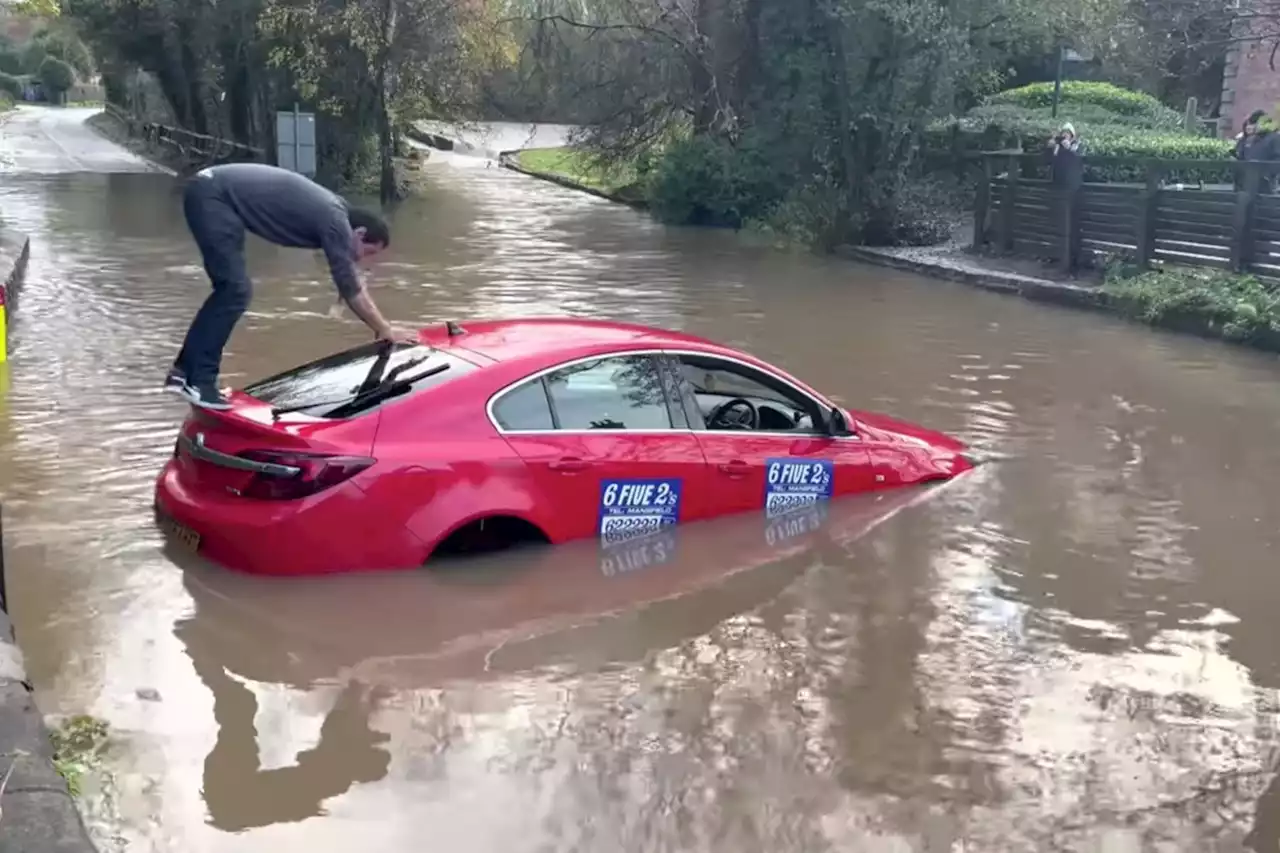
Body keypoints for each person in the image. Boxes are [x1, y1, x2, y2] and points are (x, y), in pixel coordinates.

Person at [165, 162, 411, 410]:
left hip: (212, 192)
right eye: (368, 252)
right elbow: (350, 287)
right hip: (213, 196)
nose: (364, 259)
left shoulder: (336, 213)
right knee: (234, 290)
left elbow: (345, 277)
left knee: (231, 290)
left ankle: (183, 372)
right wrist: (384, 329)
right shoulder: (336, 220)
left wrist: (349, 287)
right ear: (359, 233)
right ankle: (200, 383)